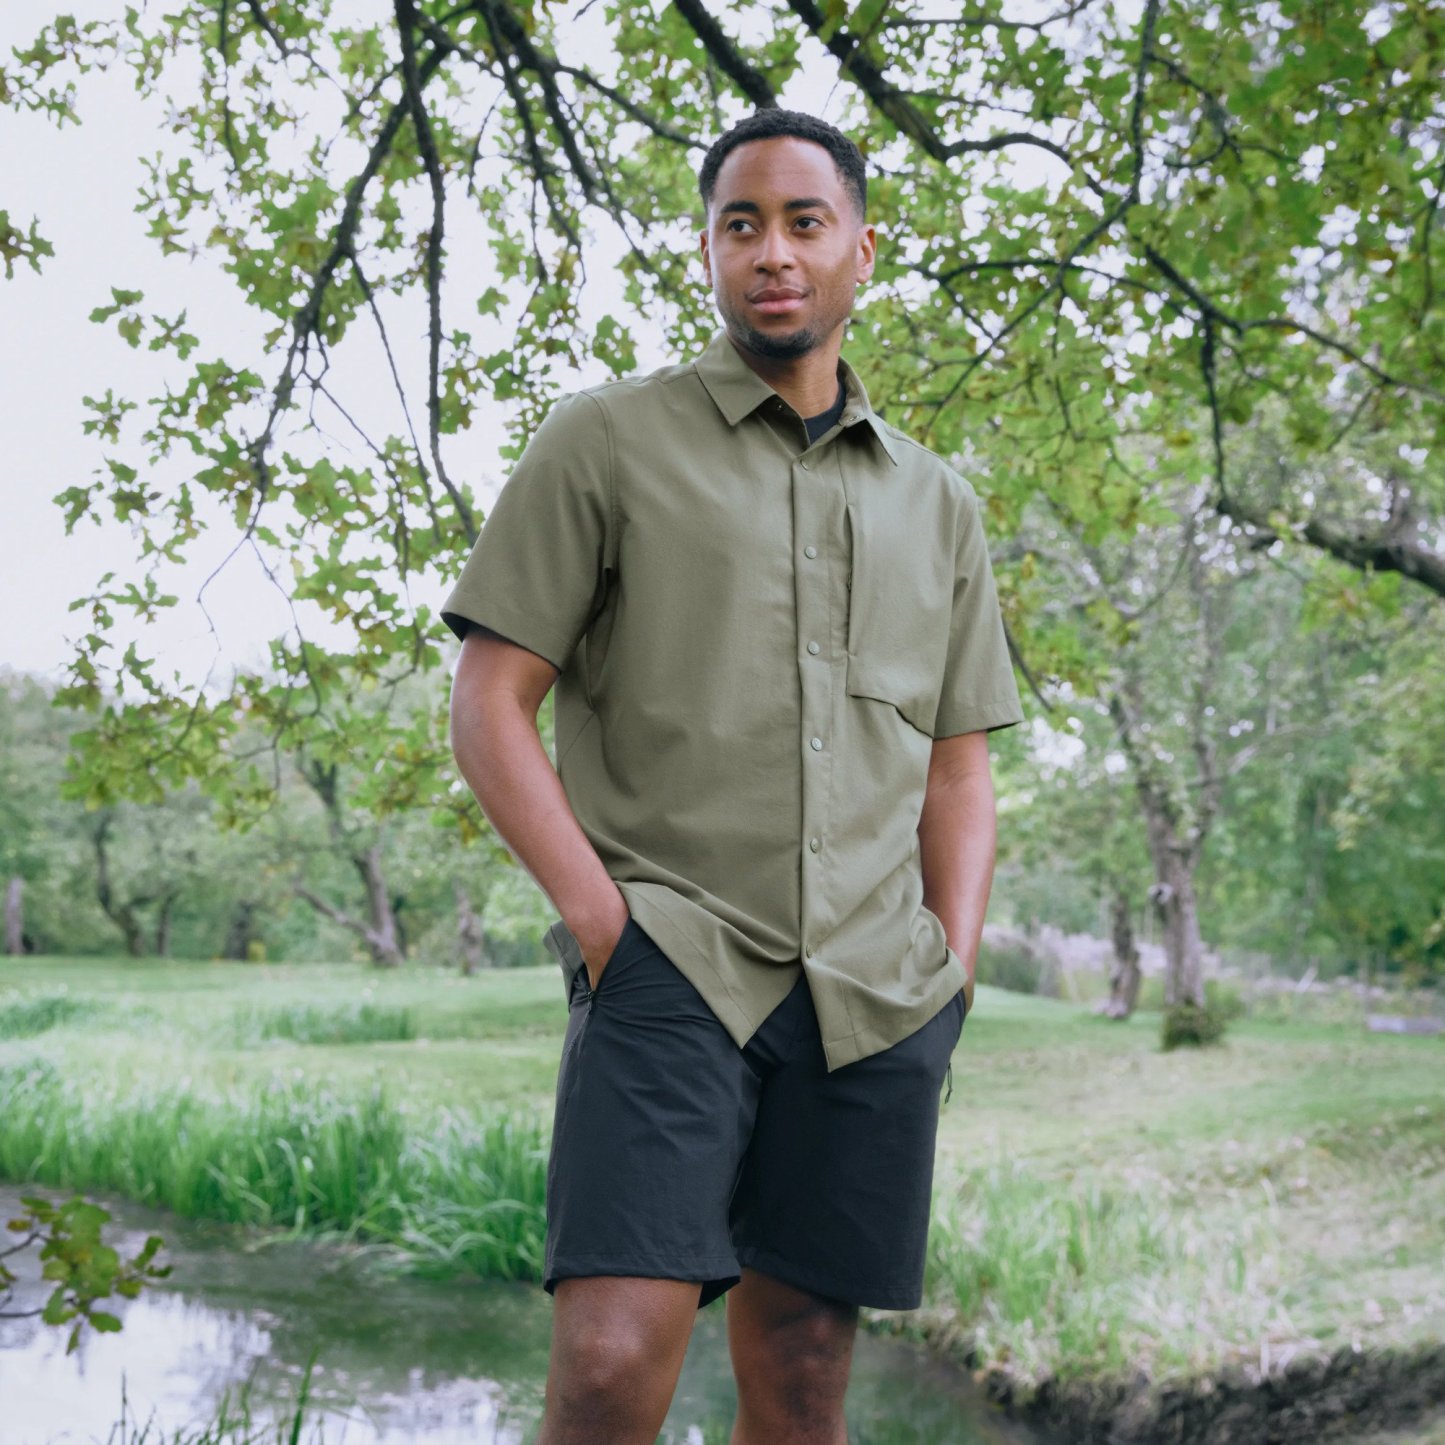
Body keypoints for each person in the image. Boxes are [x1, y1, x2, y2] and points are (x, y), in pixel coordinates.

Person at [444, 107, 1023, 1445]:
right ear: (706, 251)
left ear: (860, 250)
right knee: (606, 1364)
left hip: (875, 992)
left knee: (807, 1372)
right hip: (672, 965)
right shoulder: (604, 440)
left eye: (804, 223)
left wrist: (952, 968)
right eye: (739, 224)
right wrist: (607, 927)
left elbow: (957, 769)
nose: (772, 252)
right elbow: (488, 703)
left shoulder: (937, 503)